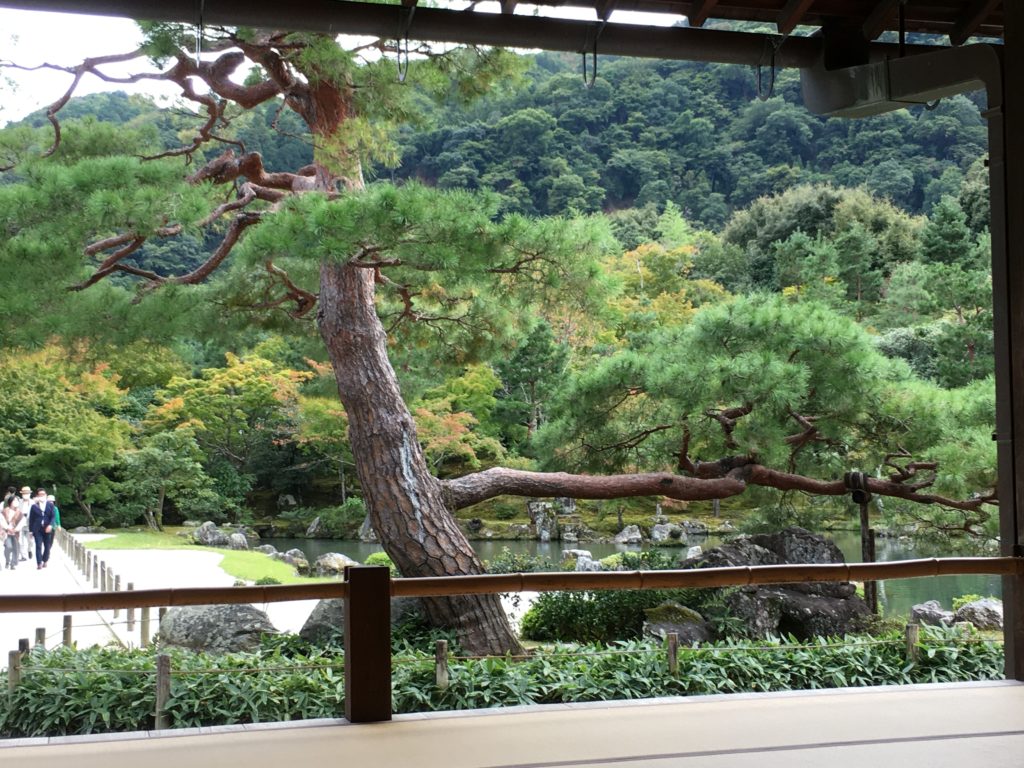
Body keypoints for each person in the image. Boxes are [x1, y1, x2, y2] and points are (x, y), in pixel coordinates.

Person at [28, 488, 55, 569]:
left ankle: (45, 560)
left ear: (46, 495)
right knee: (38, 545)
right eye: (40, 495)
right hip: (37, 529)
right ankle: (39, 563)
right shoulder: (34, 506)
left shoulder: (50, 505)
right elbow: (31, 519)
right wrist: (31, 531)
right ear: (37, 496)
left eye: (43, 494)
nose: (42, 496)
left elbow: (53, 517)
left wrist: (50, 525)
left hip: (47, 528)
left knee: (47, 546)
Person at [1, 496, 21, 570]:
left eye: (17, 500)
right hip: (6, 533)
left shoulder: (19, 512)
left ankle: (13, 563)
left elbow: (22, 522)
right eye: (14, 500)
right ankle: (7, 561)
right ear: (10, 502)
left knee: (15, 548)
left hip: (16, 533)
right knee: (8, 547)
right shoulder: (5, 511)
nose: (16, 501)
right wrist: (7, 528)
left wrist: (16, 529)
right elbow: (1, 520)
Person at [15, 487, 31, 562]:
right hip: (20, 523)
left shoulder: (33, 503)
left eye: (27, 493)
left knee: (30, 541)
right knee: (21, 541)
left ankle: (29, 550)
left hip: (29, 523)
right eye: (24, 493)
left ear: (30, 493)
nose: (25, 494)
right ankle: (23, 556)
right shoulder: (18, 502)